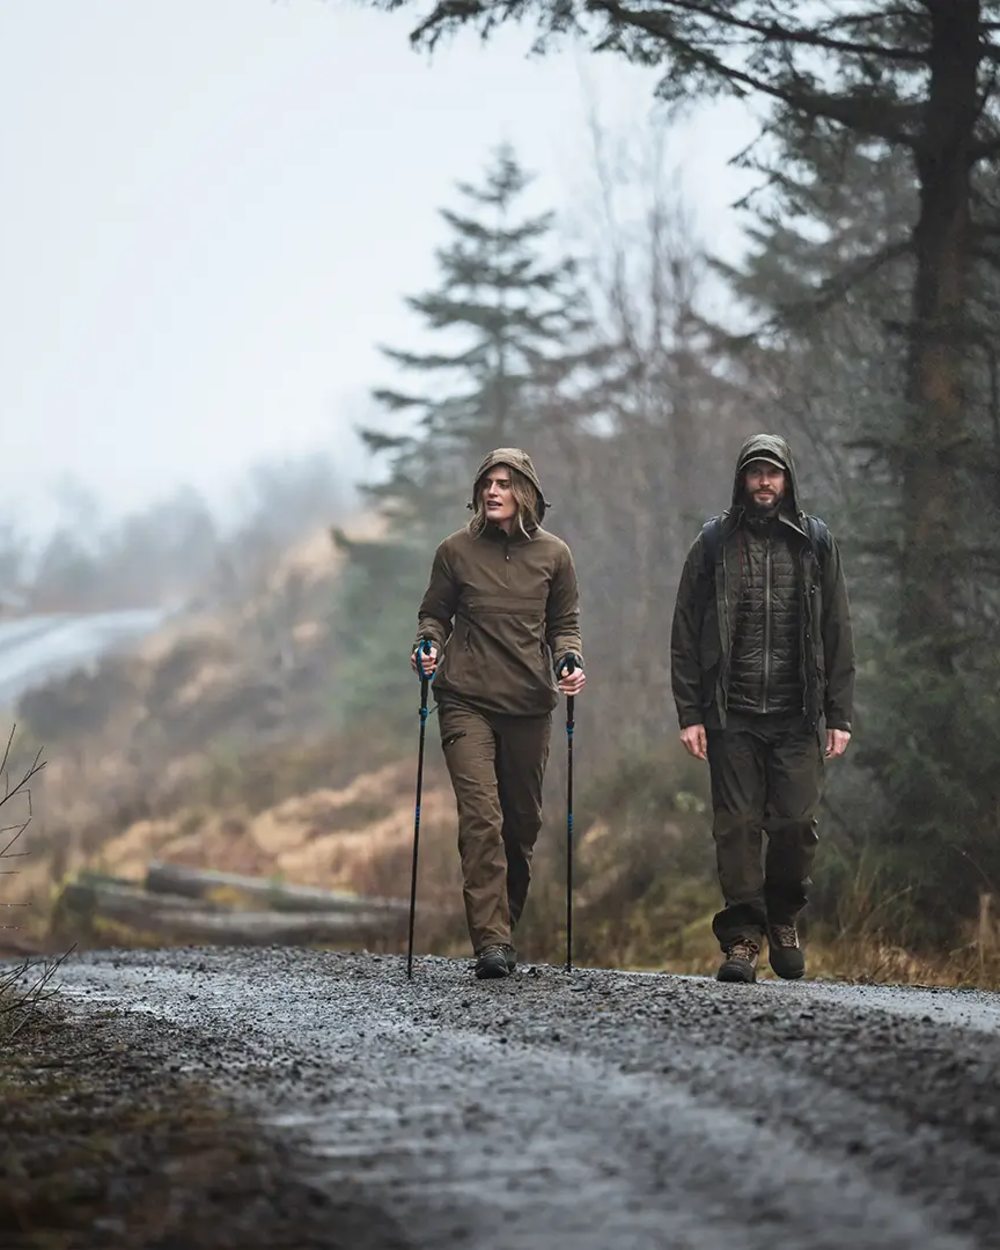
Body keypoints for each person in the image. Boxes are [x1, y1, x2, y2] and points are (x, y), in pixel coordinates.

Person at [670, 433, 854, 983]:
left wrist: (839, 713)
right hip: (733, 716)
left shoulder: (815, 542)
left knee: (797, 826)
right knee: (737, 830)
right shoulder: (713, 543)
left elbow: (838, 630)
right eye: (755, 473)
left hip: (798, 715)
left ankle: (783, 918)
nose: (764, 482)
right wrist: (690, 712)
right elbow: (684, 631)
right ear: (742, 481)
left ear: (787, 480)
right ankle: (743, 940)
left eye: (773, 473)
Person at [411, 448, 586, 980]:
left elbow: (565, 624)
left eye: (504, 483)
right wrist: (427, 645)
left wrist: (569, 661)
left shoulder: (554, 556)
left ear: (525, 492)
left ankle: (503, 924)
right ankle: (491, 940)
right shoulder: (455, 552)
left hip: (530, 704)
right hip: (465, 699)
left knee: (520, 825)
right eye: (487, 482)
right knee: (482, 818)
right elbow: (434, 614)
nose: (492, 491)